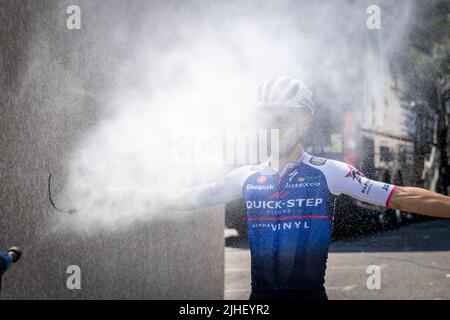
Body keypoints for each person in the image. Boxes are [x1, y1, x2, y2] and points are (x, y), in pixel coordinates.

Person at [169, 77, 450, 300]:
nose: (273, 128)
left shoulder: (329, 172)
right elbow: (187, 199)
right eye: (265, 119)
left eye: (283, 119)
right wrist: (132, 199)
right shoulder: (244, 177)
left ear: (305, 122)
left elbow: (400, 197)